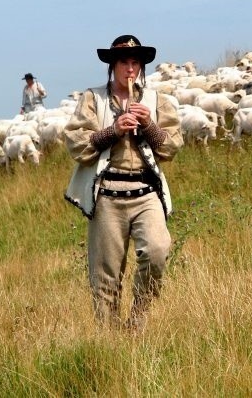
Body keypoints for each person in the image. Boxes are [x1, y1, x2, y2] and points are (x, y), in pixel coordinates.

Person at [64, 35, 184, 330]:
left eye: (135, 63)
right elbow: (77, 145)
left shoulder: (157, 101)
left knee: (157, 251)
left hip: (146, 192)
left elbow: (171, 147)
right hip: (107, 195)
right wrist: (113, 130)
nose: (130, 70)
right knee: (106, 278)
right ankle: (110, 343)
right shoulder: (93, 99)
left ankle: (139, 318)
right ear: (112, 66)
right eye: (124, 63)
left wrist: (149, 125)